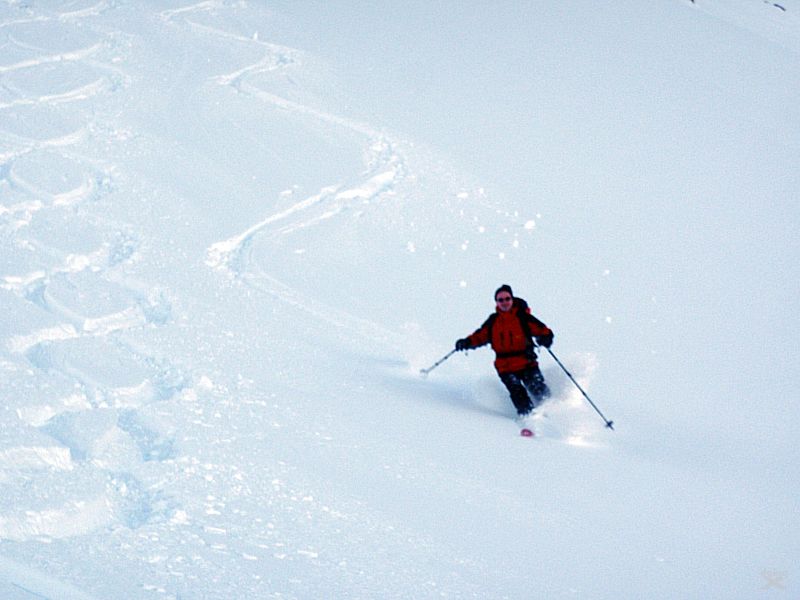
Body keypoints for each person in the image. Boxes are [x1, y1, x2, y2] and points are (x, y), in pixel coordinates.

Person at [455, 285, 554, 422]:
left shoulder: (523, 317)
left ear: (512, 299)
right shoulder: (493, 321)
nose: (504, 302)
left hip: (526, 362)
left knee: (539, 390)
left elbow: (543, 331)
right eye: (500, 300)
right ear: (496, 302)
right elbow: (480, 336)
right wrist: (466, 342)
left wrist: (546, 338)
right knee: (517, 393)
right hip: (505, 367)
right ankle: (530, 420)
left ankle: (553, 414)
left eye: (507, 299)